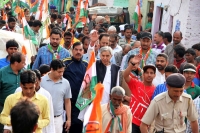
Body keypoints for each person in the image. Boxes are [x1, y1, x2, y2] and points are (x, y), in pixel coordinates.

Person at [124, 54, 156, 133]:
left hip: (145, 124)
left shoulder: (156, 90)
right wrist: (132, 64)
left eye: (151, 73)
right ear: (143, 74)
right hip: (131, 121)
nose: (149, 75)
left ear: (154, 75)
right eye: (147, 72)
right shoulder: (136, 83)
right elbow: (125, 75)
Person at [41, 59, 72, 133]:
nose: (61, 74)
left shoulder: (65, 83)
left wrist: (69, 119)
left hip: (58, 119)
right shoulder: (41, 81)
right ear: (52, 69)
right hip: (43, 118)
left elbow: (67, 101)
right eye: (59, 72)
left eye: (62, 71)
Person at [63, 42, 88, 133]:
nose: (78, 52)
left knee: (78, 127)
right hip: (67, 102)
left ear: (83, 51)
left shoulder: (86, 65)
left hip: (81, 104)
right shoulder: (65, 63)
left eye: (80, 50)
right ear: (72, 51)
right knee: (66, 127)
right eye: (76, 50)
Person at [0, 52, 25, 131]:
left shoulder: (24, 73)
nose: (24, 64)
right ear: (16, 63)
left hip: (21, 110)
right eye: (23, 62)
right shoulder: (2, 73)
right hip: (4, 108)